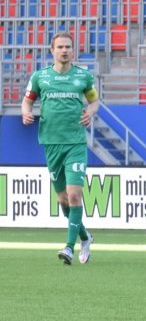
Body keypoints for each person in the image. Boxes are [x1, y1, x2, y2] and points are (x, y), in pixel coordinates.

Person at [21, 32, 98, 265]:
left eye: (68, 47)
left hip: (75, 143)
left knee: (74, 194)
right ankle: (85, 237)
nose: (64, 50)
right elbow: (27, 100)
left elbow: (94, 101)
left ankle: (69, 248)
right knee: (63, 201)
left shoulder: (83, 76)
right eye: (60, 47)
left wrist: (90, 112)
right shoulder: (40, 77)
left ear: (73, 50)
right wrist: (26, 112)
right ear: (52, 50)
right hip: (51, 143)